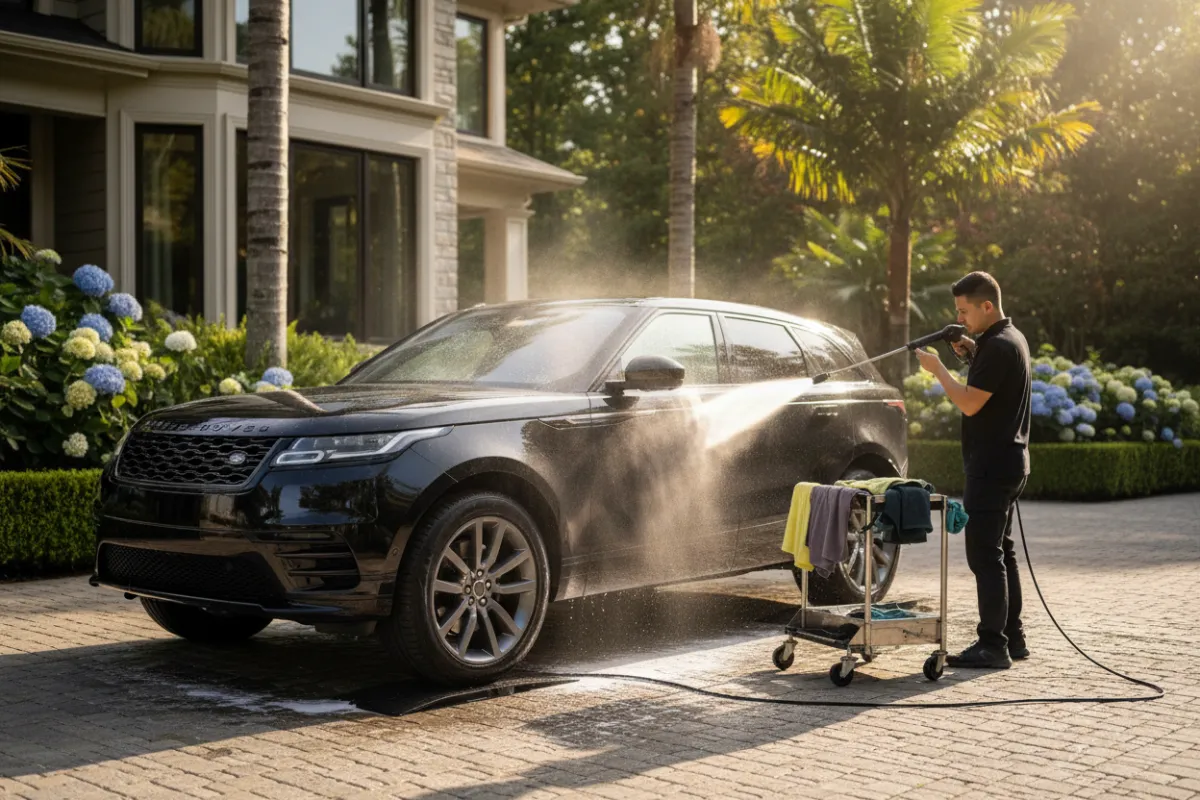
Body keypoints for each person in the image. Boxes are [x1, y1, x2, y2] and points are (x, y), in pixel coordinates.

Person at [913, 271, 1032, 669]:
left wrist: (938, 370)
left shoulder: (997, 347)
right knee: (1002, 552)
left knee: (984, 556)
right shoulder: (1009, 339)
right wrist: (969, 353)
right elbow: (992, 385)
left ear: (987, 306)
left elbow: (969, 403)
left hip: (991, 467)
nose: (959, 319)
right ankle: (1013, 638)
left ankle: (992, 646)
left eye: (964, 311)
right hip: (1010, 463)